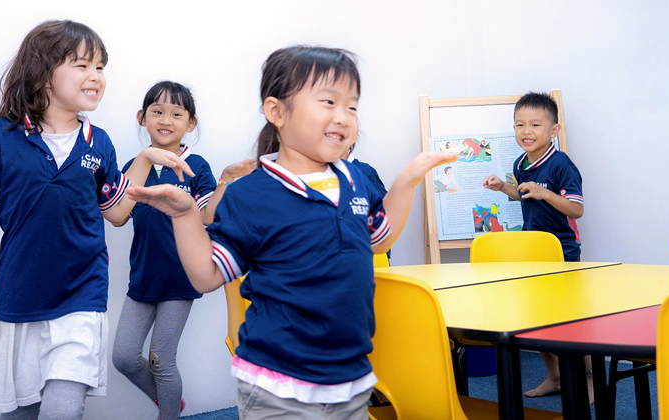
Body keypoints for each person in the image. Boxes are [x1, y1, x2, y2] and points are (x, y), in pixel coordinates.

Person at [126, 45, 456, 420]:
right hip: (277, 384)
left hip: (350, 375)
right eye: (328, 102)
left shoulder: (357, 179)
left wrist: (406, 182)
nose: (344, 117)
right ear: (276, 112)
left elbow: (380, 238)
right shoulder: (252, 194)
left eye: (352, 106)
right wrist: (185, 214)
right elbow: (207, 276)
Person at [0, 20, 194, 420]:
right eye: (83, 65)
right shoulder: (3, 136)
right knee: (19, 414)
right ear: (43, 72)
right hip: (20, 298)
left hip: (81, 297)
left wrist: (143, 160)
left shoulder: (98, 142)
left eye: (101, 67)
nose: (96, 76)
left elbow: (118, 214)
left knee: (62, 409)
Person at [111, 81, 254, 420]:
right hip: (142, 276)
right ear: (142, 117)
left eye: (177, 114)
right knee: (124, 357)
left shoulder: (196, 165)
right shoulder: (137, 165)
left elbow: (207, 216)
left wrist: (225, 179)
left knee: (162, 359)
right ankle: (170, 401)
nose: (166, 119)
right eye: (157, 111)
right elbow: (117, 216)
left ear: (190, 123)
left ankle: (169, 415)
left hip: (181, 276)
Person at [483, 91, 587, 401]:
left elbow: (576, 209)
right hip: (533, 252)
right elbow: (526, 194)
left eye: (535, 125)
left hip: (563, 252)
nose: (526, 132)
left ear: (553, 130)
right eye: (520, 125)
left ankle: (586, 383)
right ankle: (555, 377)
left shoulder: (561, 164)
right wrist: (504, 187)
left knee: (568, 322)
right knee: (538, 321)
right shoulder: (521, 162)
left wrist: (545, 193)